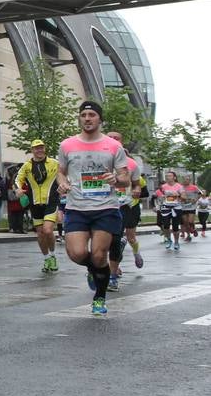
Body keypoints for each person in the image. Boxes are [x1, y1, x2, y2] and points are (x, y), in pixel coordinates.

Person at [55, 100, 130, 316]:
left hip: (105, 207)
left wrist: (116, 179)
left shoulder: (113, 146)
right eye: (84, 115)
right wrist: (62, 182)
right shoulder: (67, 145)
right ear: (80, 118)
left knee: (99, 256)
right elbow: (61, 171)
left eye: (92, 115)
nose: (87, 118)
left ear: (100, 119)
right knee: (77, 253)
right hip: (77, 207)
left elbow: (125, 178)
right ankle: (93, 270)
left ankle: (100, 297)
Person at [104, 131, 146, 286]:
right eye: (111, 138)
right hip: (106, 204)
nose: (113, 140)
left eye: (117, 138)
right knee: (112, 239)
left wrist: (137, 189)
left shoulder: (131, 164)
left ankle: (135, 253)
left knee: (129, 237)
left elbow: (139, 185)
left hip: (128, 206)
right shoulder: (99, 159)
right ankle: (115, 268)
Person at [14, 139, 61, 274]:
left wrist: (64, 185)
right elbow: (18, 179)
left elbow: (64, 175)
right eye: (36, 148)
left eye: (41, 148)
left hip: (51, 201)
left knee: (47, 230)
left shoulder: (54, 163)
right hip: (34, 203)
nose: (39, 150)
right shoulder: (27, 166)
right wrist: (18, 189)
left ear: (44, 149)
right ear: (32, 150)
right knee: (40, 233)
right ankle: (46, 258)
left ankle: (52, 256)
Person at [154, 171, 183, 251]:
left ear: (174, 177)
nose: (167, 177)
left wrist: (177, 195)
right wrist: (162, 199)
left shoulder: (179, 186)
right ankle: (169, 240)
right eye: (166, 176)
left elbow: (184, 197)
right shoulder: (163, 187)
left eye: (170, 176)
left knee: (175, 227)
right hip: (166, 208)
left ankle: (176, 242)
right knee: (165, 226)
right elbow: (160, 197)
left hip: (176, 208)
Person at [180, 174, 203, 243]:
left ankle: (193, 229)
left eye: (187, 179)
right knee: (185, 223)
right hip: (183, 207)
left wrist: (195, 200)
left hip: (191, 207)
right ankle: (188, 235)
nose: (186, 180)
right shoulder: (180, 187)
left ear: (190, 180)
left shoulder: (194, 187)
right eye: (185, 179)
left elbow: (200, 193)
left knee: (190, 221)